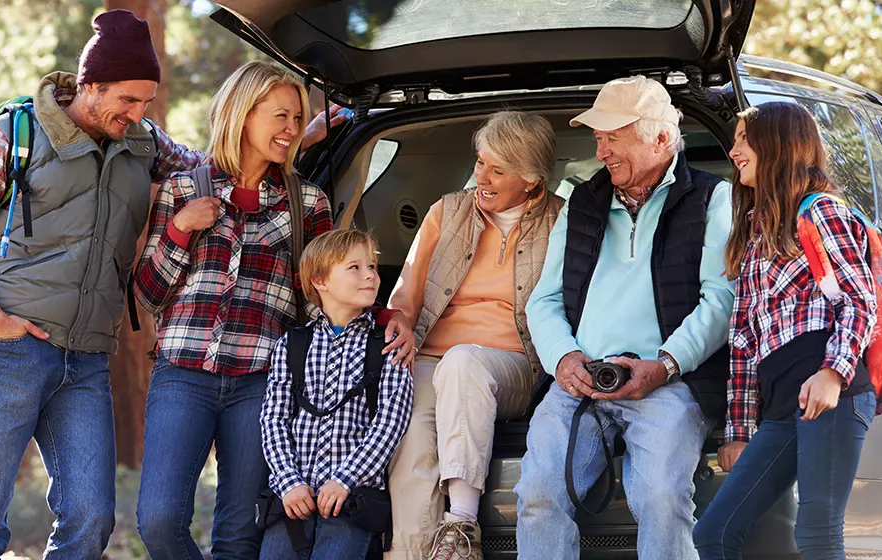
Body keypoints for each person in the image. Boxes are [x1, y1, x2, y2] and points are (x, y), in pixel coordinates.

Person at [0, 11, 345, 558]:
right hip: (12, 348)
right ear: (90, 86)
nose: (138, 114)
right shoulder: (14, 136)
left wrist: (299, 137)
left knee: (92, 520)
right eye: (127, 100)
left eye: (147, 102)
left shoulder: (141, 141)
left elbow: (220, 165)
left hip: (88, 357)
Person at [132, 60, 412, 560]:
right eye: (280, 116)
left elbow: (327, 292)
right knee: (157, 519)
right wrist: (180, 230)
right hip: (182, 373)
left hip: (262, 381)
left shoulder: (309, 204)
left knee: (240, 534)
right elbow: (150, 294)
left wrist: (390, 316)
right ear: (243, 114)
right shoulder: (183, 189)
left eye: (297, 118)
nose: (290, 130)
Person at [514, 75, 735, 559]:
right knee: (538, 496)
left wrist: (666, 365)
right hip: (581, 378)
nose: (603, 150)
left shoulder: (713, 199)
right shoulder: (583, 202)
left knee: (660, 499)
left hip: (669, 381)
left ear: (659, 137)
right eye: (598, 138)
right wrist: (564, 358)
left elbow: (721, 300)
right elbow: (543, 300)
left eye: (613, 136)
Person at [693, 101, 878, 559]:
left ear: (777, 145)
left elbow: (860, 301)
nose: (733, 149)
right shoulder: (756, 233)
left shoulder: (821, 213)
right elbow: (743, 341)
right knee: (713, 533)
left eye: (743, 138)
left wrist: (833, 373)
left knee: (816, 535)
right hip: (781, 407)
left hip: (830, 396)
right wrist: (738, 430)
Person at [384, 111, 564, 560]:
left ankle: (461, 525)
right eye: (480, 162)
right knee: (409, 442)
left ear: (531, 179)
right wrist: (402, 321)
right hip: (430, 358)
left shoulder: (563, 220)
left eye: (497, 170)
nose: (480, 177)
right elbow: (406, 292)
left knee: (465, 362)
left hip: (515, 363)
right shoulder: (446, 210)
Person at [259, 229, 413, 559]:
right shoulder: (293, 344)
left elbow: (391, 422)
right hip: (292, 500)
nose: (370, 275)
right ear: (320, 281)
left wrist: (345, 479)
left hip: (351, 500)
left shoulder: (387, 344)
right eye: (354, 268)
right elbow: (273, 419)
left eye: (372, 266)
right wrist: (288, 481)